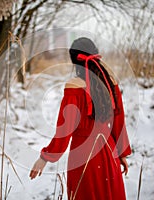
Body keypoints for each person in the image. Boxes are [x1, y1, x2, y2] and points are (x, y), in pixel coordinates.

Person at [29, 37, 132, 200]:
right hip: (109, 152)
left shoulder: (74, 86)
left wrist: (45, 157)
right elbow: (119, 122)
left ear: (74, 61)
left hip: (84, 156)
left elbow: (65, 129)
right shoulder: (110, 82)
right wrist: (121, 154)